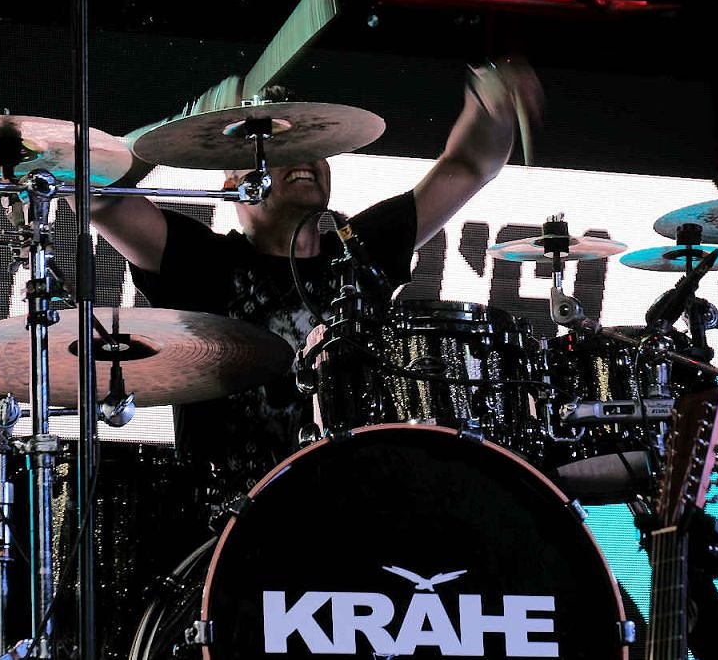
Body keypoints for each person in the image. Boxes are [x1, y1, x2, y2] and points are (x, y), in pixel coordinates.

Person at [90, 57, 543, 499]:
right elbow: (89, 189)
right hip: (233, 522)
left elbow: (470, 165)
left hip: (355, 508)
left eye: (310, 144)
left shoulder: (358, 250)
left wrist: (490, 102)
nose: (301, 156)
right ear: (233, 186)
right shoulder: (201, 260)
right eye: (274, 146)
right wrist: (183, 123)